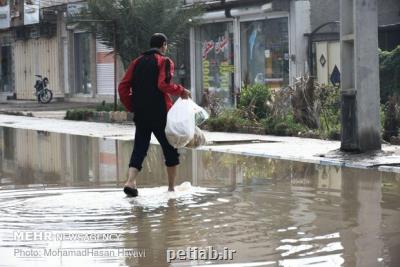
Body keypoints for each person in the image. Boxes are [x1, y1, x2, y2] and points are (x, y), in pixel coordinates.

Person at [118, 33, 191, 197]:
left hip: (141, 113)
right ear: (163, 45)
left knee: (140, 147)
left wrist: (132, 105)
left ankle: (130, 182)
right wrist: (181, 91)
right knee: (170, 149)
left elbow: (123, 87)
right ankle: (171, 188)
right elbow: (163, 84)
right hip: (160, 113)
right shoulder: (164, 61)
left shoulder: (136, 62)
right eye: (166, 45)